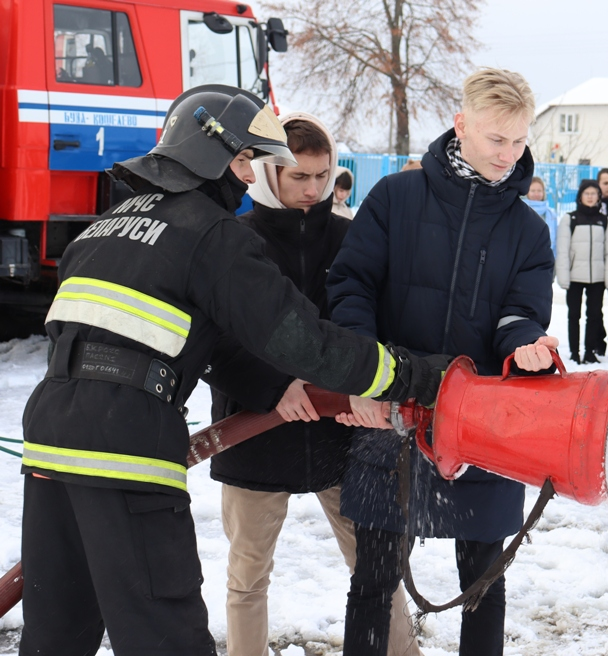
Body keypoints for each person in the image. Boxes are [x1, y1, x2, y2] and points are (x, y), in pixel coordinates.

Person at [17, 85, 446, 656]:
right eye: (244, 158)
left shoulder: (105, 226)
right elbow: (305, 342)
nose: (249, 176)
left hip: (49, 438)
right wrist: (411, 376)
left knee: (57, 630)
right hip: (128, 442)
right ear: (209, 151)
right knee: (163, 627)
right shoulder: (212, 235)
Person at [326, 68, 557, 656]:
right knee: (374, 580)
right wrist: (361, 370)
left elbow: (519, 314)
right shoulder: (396, 198)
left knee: (482, 583)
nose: (509, 155)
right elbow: (352, 285)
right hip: (392, 416)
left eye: (518, 141)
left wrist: (526, 344)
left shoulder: (528, 231)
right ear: (461, 126)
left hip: (482, 422)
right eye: (495, 139)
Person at [208, 113, 421, 656]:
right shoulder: (234, 240)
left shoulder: (350, 239)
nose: (312, 189)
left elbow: (371, 323)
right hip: (252, 427)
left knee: (376, 569)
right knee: (247, 576)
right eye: (298, 176)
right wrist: (273, 385)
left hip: (343, 430)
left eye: (322, 176)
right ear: (265, 173)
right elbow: (213, 338)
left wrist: (359, 388)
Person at [556, 179, 608, 363]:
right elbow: (563, 250)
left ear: (598, 197)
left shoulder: (605, 220)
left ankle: (589, 351)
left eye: (594, 194)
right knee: (574, 315)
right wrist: (564, 276)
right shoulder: (570, 219)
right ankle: (575, 352)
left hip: (597, 277)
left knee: (594, 315)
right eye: (587, 193)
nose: (590, 197)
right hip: (575, 276)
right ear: (580, 196)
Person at [524, 176, 559, 256]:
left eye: (539, 191)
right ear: (527, 192)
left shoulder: (551, 214)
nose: (536, 194)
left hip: (545, 260)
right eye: (533, 191)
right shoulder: (520, 211)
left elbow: (556, 241)